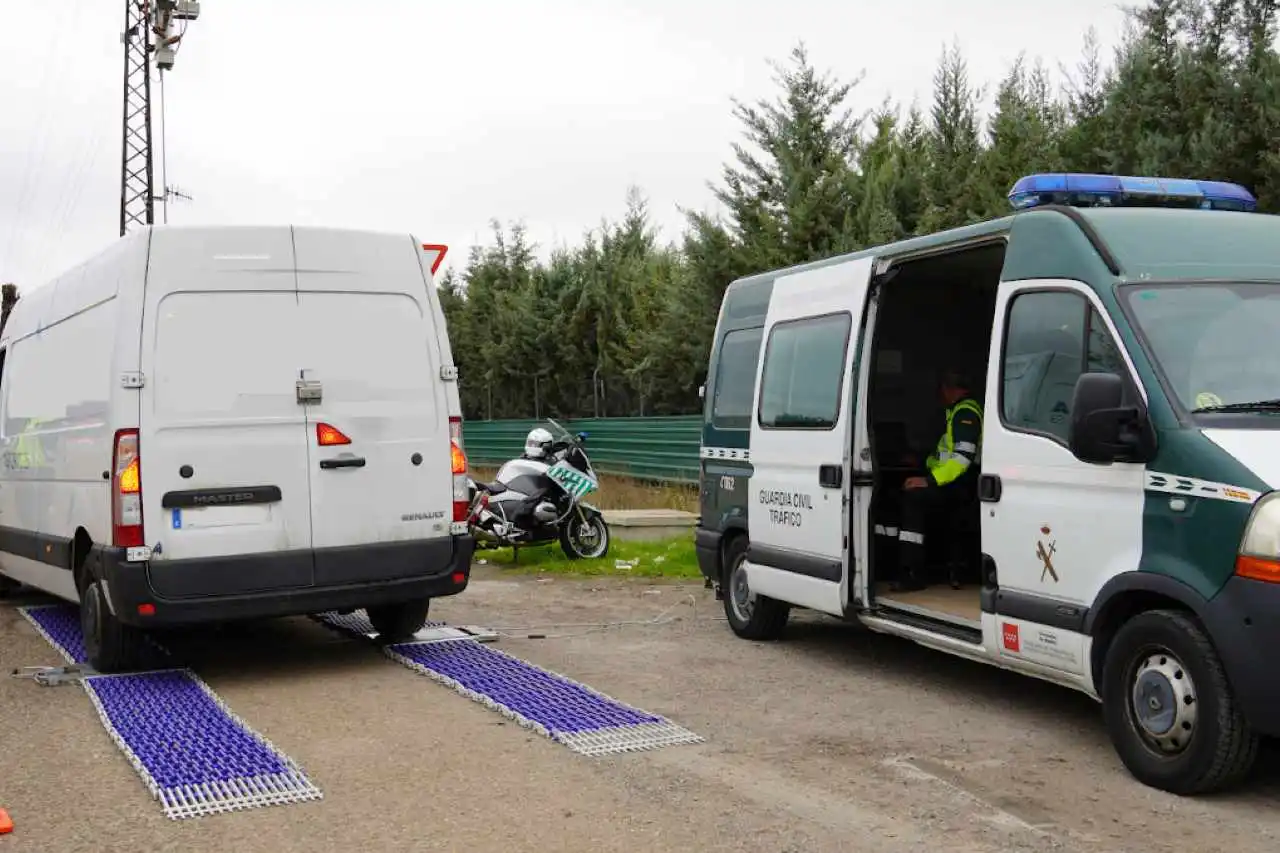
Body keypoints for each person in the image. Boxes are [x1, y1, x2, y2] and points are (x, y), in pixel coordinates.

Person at [890, 368, 983, 592]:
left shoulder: (965, 414)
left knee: (912, 499)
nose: (940, 395)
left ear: (950, 389)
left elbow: (961, 459)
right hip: (953, 482)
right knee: (900, 491)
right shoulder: (955, 413)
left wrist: (929, 481)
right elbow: (943, 455)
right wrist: (920, 461)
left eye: (941, 389)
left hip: (962, 486)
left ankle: (912, 573)